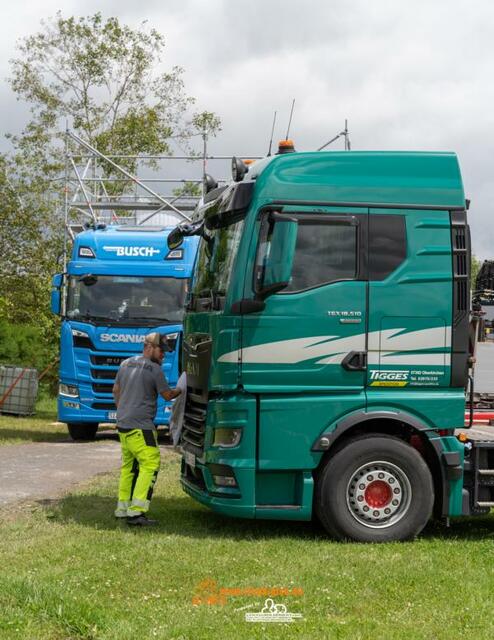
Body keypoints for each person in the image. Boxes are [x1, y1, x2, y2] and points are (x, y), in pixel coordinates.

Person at [112, 332, 182, 526]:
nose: (163, 356)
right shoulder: (154, 370)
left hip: (123, 425)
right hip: (141, 428)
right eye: (161, 351)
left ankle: (122, 509)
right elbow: (168, 395)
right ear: (149, 347)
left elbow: (115, 391)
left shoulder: (125, 364)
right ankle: (136, 513)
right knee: (150, 464)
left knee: (129, 467)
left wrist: (124, 410)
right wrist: (182, 389)